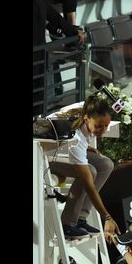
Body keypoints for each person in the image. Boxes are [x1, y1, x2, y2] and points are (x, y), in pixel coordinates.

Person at [46, 95, 120, 239]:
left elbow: (93, 99)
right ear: (86, 119)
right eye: (99, 126)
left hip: (63, 150)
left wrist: (87, 146)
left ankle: (80, 218)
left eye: (106, 125)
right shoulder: (77, 138)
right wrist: (107, 217)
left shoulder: (89, 108)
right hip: (44, 158)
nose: (103, 130)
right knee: (90, 172)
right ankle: (67, 224)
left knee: (106, 164)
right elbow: (89, 186)